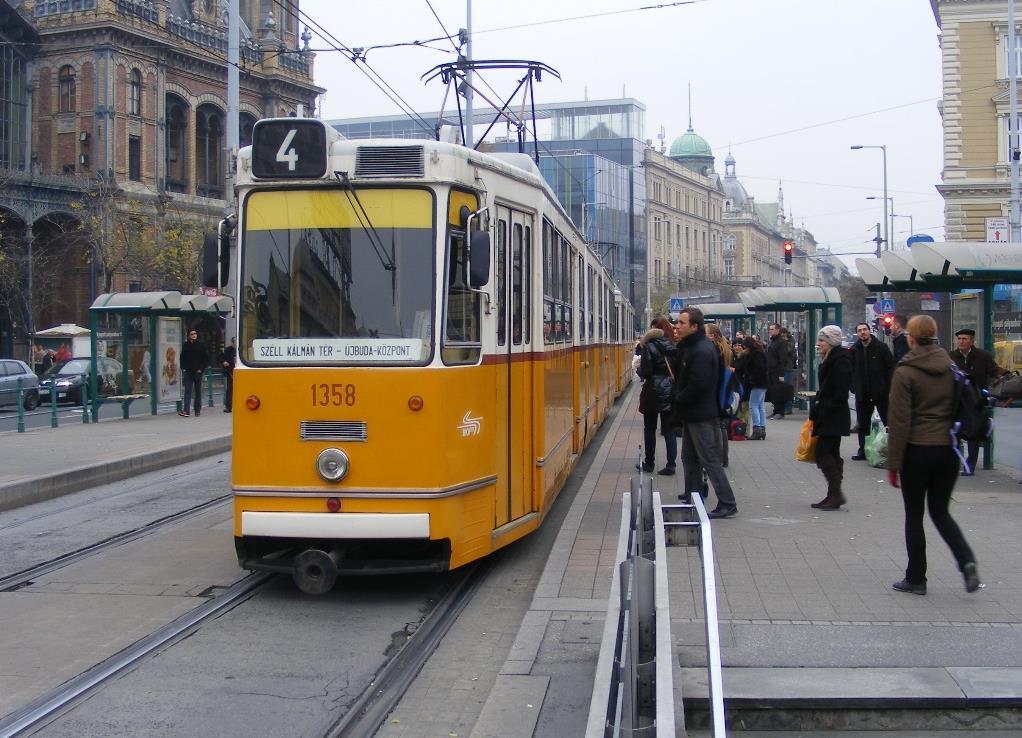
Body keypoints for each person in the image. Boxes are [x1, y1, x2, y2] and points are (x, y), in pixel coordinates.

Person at [887, 315, 982, 595]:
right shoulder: (950, 367)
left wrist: (893, 464)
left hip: (916, 451)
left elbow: (900, 421)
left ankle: (916, 578)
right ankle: (966, 562)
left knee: (914, 514)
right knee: (940, 511)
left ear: (911, 338)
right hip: (947, 450)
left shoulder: (906, 371)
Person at [671, 307, 738, 519]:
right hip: (694, 413)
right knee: (689, 458)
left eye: (682, 323)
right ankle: (694, 496)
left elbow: (698, 384)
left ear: (694, 326)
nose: (677, 326)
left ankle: (727, 502)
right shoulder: (695, 346)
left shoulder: (701, 350)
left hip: (702, 414)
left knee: (709, 459)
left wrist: (678, 399)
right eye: (677, 322)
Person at [948, 327, 1005, 475]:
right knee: (956, 431)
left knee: (974, 432)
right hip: (958, 400)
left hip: (977, 400)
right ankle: (954, 463)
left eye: (964, 339)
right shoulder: (951, 356)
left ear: (972, 341)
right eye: (959, 339)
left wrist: (1007, 378)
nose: (961, 341)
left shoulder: (982, 356)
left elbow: (994, 371)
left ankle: (969, 466)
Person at [809, 325, 853, 510]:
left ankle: (836, 494)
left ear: (831, 342)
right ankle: (833, 494)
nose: (818, 344)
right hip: (829, 414)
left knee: (823, 452)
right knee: (831, 453)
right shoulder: (831, 358)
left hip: (833, 415)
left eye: (821, 341)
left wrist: (825, 407)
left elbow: (840, 390)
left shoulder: (840, 360)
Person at [636, 318, 677, 475]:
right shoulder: (672, 345)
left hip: (653, 390)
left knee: (650, 429)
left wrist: (639, 370)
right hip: (669, 389)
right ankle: (671, 464)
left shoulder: (649, 346)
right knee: (669, 430)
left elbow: (646, 371)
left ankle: (649, 463)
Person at [850, 322, 894, 461]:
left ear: (869, 331)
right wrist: (854, 387)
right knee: (863, 424)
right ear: (857, 333)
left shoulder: (881, 348)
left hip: (880, 393)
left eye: (865, 330)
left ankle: (892, 451)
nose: (862, 332)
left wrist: (888, 388)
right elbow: (850, 371)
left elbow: (890, 368)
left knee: (889, 422)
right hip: (862, 393)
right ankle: (863, 451)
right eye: (860, 330)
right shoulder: (854, 350)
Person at [706, 323, 735, 462]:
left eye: (705, 333)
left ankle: (721, 458)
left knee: (719, 425)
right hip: (724, 391)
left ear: (712, 336)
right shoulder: (724, 349)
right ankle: (724, 457)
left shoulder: (714, 350)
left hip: (718, 392)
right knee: (722, 425)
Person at [740, 336, 769, 440]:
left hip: (757, 383)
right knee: (760, 406)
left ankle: (757, 429)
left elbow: (759, 369)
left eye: (745, 347)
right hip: (763, 383)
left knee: (753, 405)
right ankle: (762, 428)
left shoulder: (755, 355)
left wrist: (751, 378)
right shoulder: (760, 353)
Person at [179, 328, 209, 417]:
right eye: (192, 334)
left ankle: (197, 410)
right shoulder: (186, 345)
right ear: (189, 336)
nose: (194, 335)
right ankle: (186, 410)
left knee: (197, 391)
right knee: (187, 391)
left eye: (195, 334)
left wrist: (201, 369)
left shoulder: (201, 345)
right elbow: (182, 357)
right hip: (188, 371)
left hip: (198, 371)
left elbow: (205, 358)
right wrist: (183, 368)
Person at [766, 323, 790, 419]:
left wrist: (781, 374)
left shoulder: (782, 342)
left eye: (772, 329)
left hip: (777, 370)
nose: (770, 331)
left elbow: (782, 359)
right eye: (770, 329)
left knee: (779, 391)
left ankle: (780, 411)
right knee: (773, 391)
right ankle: (776, 410)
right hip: (771, 371)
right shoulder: (772, 342)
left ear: (777, 330)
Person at [220, 337, 237, 413]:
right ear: (233, 343)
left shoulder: (241, 349)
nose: (236, 344)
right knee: (230, 389)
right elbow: (220, 357)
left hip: (239, 371)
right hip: (230, 371)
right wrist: (224, 362)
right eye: (235, 342)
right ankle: (228, 407)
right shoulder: (228, 350)